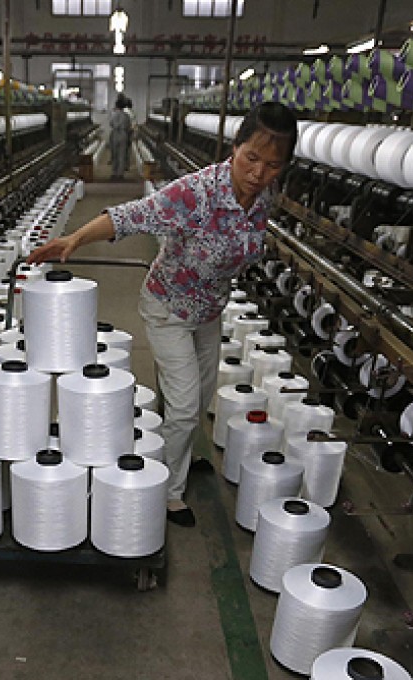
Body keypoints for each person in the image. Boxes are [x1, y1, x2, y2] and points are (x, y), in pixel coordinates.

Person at [26, 102, 298, 527]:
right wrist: (74, 239)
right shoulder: (197, 193)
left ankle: (178, 452)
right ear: (235, 148)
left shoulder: (265, 200)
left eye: (272, 165)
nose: (258, 173)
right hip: (168, 306)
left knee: (197, 396)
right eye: (252, 158)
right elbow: (129, 217)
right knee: (187, 404)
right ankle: (168, 490)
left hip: (209, 312)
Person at [108, 95, 132, 180]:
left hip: (115, 134)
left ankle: (114, 172)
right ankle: (120, 174)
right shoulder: (126, 116)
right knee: (122, 154)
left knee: (114, 154)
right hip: (123, 134)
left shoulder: (113, 115)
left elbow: (110, 124)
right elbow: (129, 126)